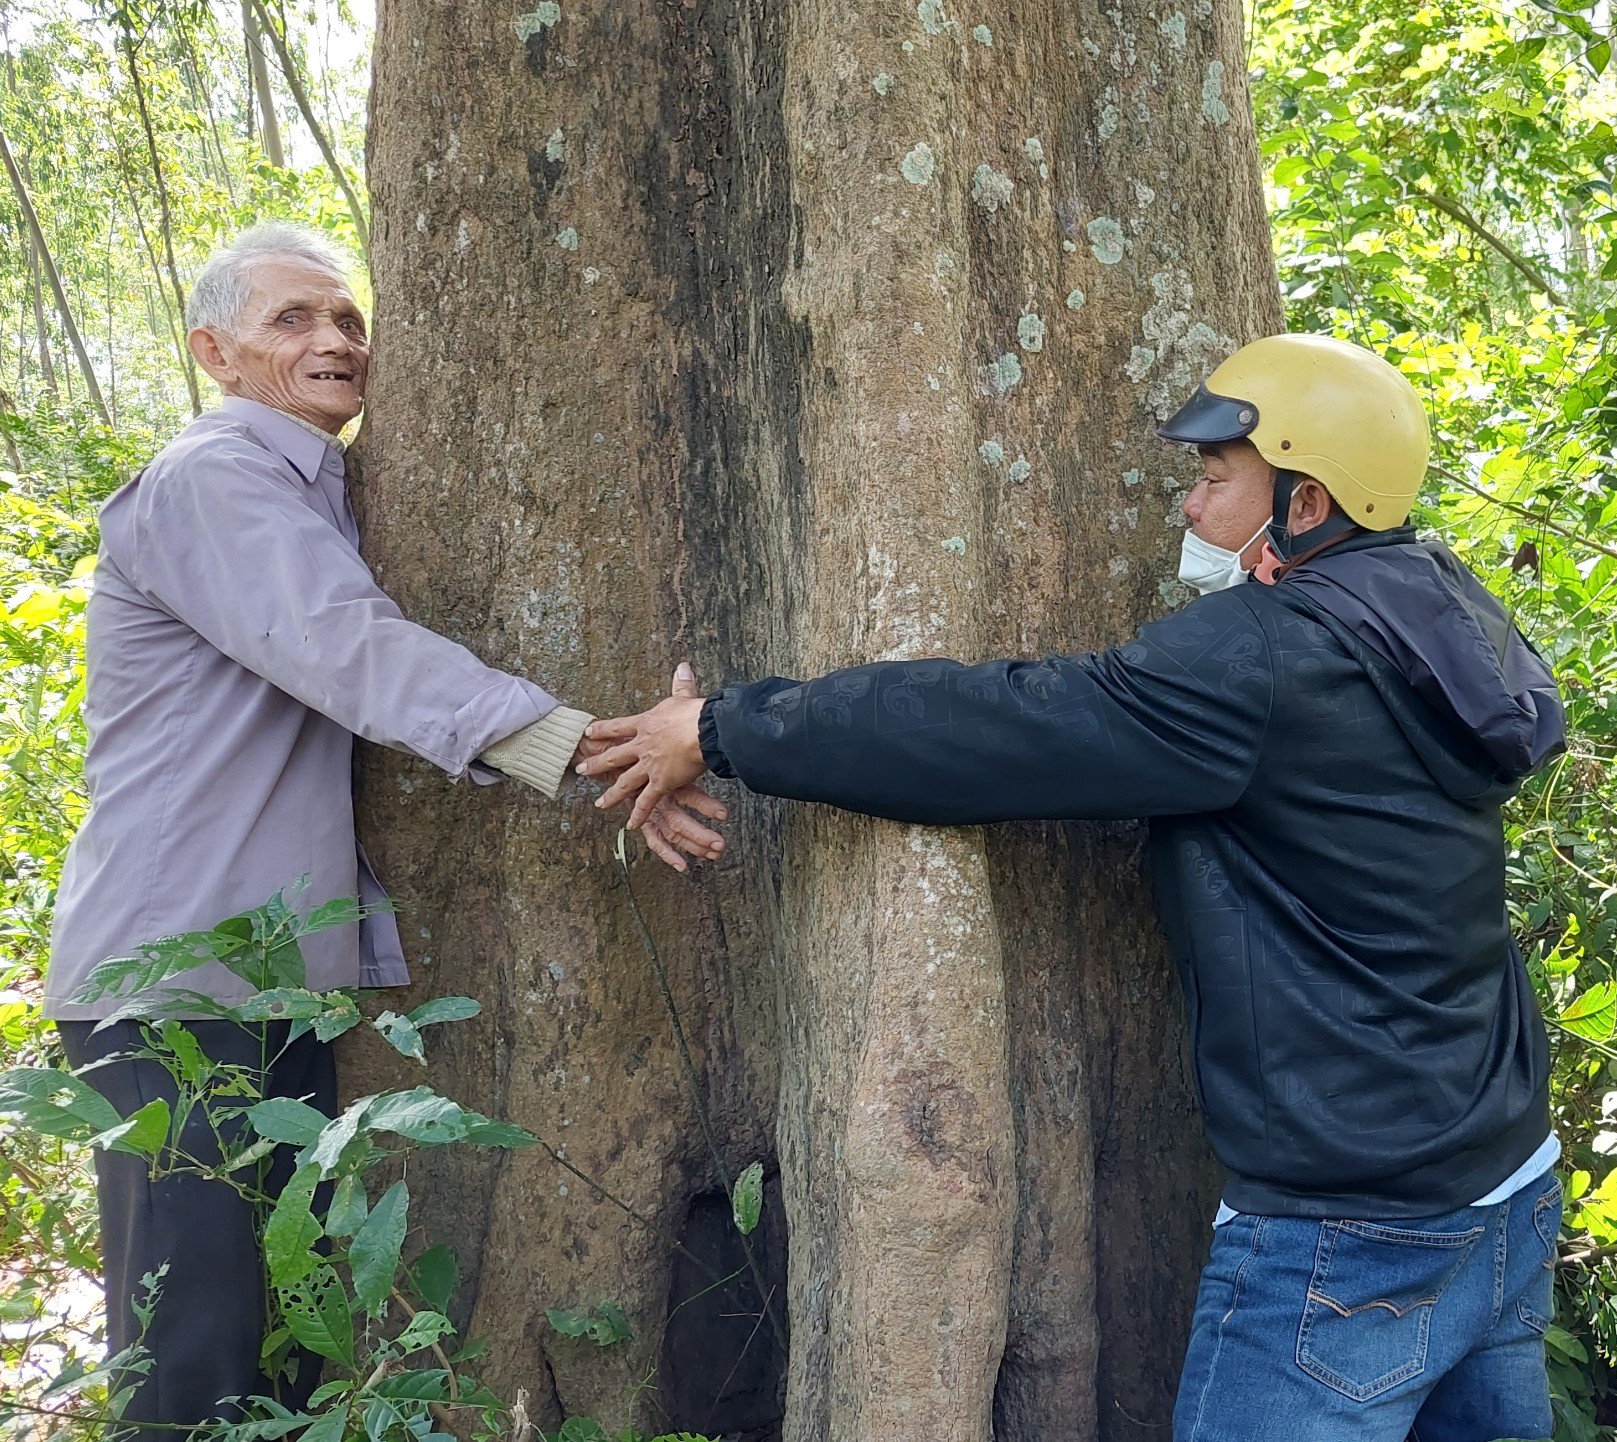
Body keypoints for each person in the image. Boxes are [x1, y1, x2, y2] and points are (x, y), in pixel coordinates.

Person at [580, 333, 1567, 1441]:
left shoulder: (1259, 657)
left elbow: (1001, 726)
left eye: (1213, 478)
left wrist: (718, 726)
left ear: (1307, 497)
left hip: (1352, 1220)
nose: (1190, 509)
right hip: (1507, 1175)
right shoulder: (1434, 605)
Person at [44, 222, 724, 1435]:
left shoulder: (314, 486)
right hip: (174, 986)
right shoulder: (212, 477)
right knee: (193, 1350)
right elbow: (344, 647)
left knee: (291, 1329)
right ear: (214, 351)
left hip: (267, 985)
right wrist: (582, 741)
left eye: (348, 319)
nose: (335, 341)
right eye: (291, 320)